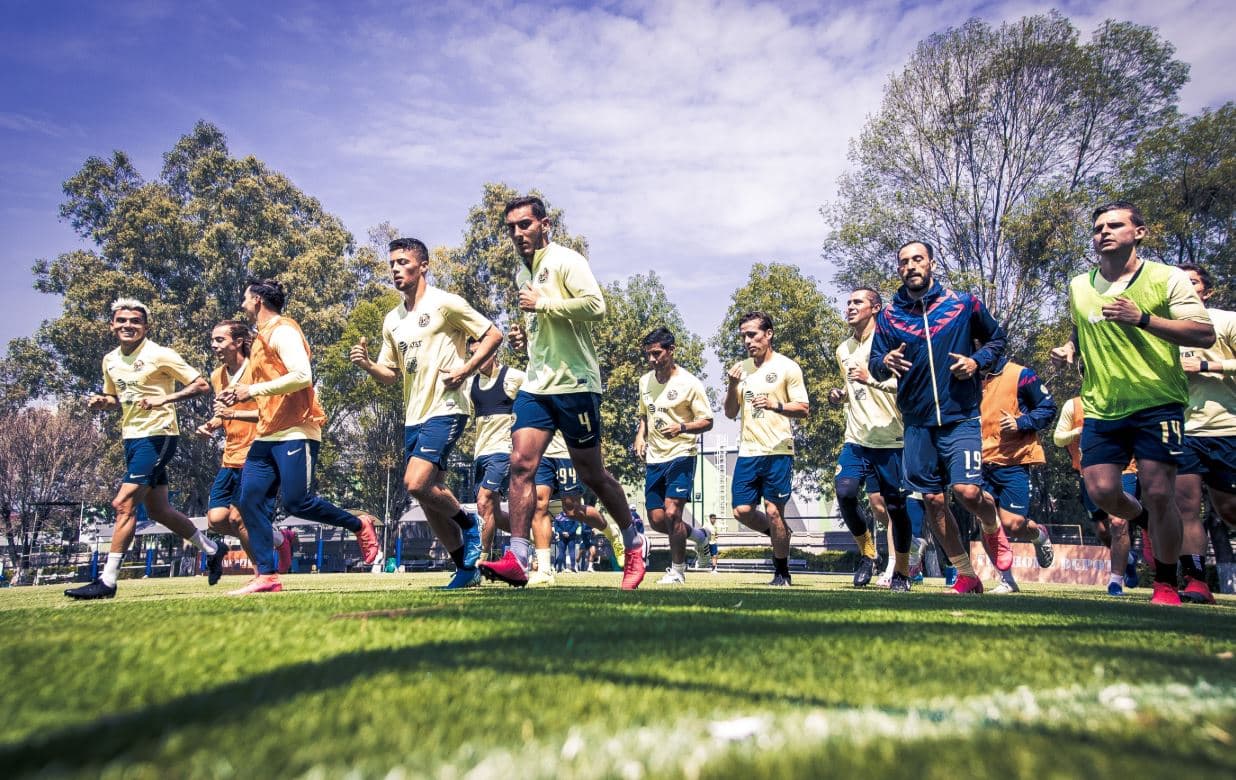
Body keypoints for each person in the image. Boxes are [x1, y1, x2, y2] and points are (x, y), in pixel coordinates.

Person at [1051, 201, 1214, 605]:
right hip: (1102, 406)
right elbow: (1082, 324)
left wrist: (1143, 318)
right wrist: (1070, 347)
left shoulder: (1166, 277)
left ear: (1139, 233)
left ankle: (1165, 582)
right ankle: (1147, 521)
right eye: (1098, 228)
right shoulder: (1080, 285)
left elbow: (1203, 333)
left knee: (1160, 493)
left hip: (1157, 402)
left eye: (1114, 225)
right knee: (1103, 492)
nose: (1104, 232)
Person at [480, 195, 646, 589]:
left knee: (592, 474)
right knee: (520, 465)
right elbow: (546, 328)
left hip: (576, 384)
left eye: (525, 224)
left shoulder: (566, 260)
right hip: (537, 385)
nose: (518, 233)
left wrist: (544, 304)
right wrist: (526, 341)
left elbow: (596, 306)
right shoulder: (521, 274)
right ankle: (518, 558)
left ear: (545, 224)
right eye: (511, 227)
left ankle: (633, 541)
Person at [351, 237, 503, 589]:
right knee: (429, 498)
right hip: (414, 416)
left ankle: (470, 524)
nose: (395, 269)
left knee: (415, 483)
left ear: (423, 266)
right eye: (392, 264)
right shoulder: (392, 320)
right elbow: (390, 374)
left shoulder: (445, 303)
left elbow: (493, 335)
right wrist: (369, 365)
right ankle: (465, 568)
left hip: (447, 407)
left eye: (403, 262)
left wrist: (465, 370)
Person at [220, 278, 381, 595]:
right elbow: (266, 384)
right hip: (267, 433)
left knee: (297, 502)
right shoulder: (260, 338)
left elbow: (302, 376)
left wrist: (251, 390)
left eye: (245, 298)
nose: (242, 303)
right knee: (248, 501)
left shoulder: (283, 331)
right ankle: (267, 575)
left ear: (258, 301)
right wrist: (238, 396)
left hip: (296, 428)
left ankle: (359, 524)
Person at [869, 240, 1010, 595]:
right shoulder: (889, 317)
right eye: (904, 262)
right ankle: (967, 574)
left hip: (960, 416)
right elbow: (875, 364)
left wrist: (977, 362)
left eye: (918, 259)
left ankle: (992, 524)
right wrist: (885, 362)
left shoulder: (962, 304)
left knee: (967, 492)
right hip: (917, 423)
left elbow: (996, 340)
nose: (911, 266)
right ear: (899, 269)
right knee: (932, 501)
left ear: (931, 263)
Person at [66, 299, 224, 600]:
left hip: (158, 435)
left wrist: (165, 399)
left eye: (135, 321)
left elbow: (201, 385)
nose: (128, 325)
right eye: (122, 320)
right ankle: (213, 549)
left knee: (123, 503)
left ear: (146, 326)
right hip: (131, 437)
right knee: (158, 510)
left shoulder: (159, 354)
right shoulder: (110, 360)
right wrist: (102, 402)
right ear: (112, 325)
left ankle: (108, 580)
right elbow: (115, 397)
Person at [828, 288, 916, 591]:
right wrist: (841, 395)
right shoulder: (843, 349)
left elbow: (907, 386)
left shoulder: (891, 342)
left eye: (858, 302)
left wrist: (871, 379)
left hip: (892, 438)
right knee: (845, 492)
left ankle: (901, 572)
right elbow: (854, 390)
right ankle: (868, 554)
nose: (850, 307)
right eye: (848, 303)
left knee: (895, 508)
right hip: (856, 438)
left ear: (876, 307)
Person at [724, 311, 810, 586]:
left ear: (769, 334)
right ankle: (781, 533)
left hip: (778, 450)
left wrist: (776, 405)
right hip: (748, 451)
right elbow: (730, 412)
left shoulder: (788, 367)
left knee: (774, 511)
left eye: (752, 334)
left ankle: (782, 573)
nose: (747, 341)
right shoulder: (740, 369)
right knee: (741, 511)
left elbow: (803, 408)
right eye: (743, 336)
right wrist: (732, 385)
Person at [1174, 263, 1236, 604]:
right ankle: (1196, 580)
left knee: (1229, 510)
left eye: (1192, 282)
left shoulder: (1226, 321)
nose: (1185, 287)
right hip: (1183, 430)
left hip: (1228, 428)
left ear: (1206, 291)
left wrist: (1206, 365)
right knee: (1186, 507)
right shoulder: (1162, 331)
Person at [634, 327, 714, 586]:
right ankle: (700, 537)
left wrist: (682, 427)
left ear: (671, 350)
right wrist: (640, 436)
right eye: (648, 354)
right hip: (655, 459)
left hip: (682, 454)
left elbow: (707, 421)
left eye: (657, 353)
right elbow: (644, 414)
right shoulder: (644, 382)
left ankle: (677, 571)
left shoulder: (690, 383)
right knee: (658, 520)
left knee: (672, 514)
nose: (652, 359)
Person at [978, 355, 1058, 593]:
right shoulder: (967, 376)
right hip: (980, 461)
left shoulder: (1021, 375)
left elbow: (1048, 408)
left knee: (1012, 524)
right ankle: (1007, 580)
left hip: (1014, 461)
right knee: (986, 522)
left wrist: (1021, 422)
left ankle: (1038, 534)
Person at [1054, 395, 1141, 596]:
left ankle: (1115, 582)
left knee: (1118, 522)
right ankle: (1127, 559)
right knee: (1102, 530)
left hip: (1125, 470)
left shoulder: (1126, 398)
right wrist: (1077, 432)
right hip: (1089, 473)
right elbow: (1058, 439)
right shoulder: (1073, 405)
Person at [195, 320, 260, 574]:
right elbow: (222, 414)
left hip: (257, 453)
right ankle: (277, 539)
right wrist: (211, 425)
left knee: (237, 517)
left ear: (239, 342)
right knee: (216, 520)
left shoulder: (257, 369)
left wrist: (231, 414)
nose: (214, 345)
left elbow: (271, 414)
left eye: (220, 340)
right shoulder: (217, 375)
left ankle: (262, 573)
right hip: (230, 455)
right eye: (212, 340)